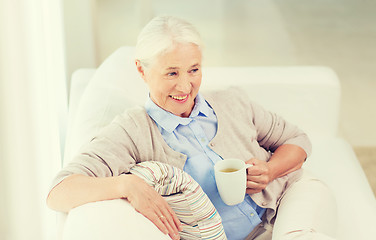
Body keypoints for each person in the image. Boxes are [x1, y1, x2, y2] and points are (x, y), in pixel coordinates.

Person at [47, 16, 337, 240]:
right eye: (171, 73)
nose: (185, 86)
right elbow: (59, 192)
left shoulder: (231, 102)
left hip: (289, 199)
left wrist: (271, 170)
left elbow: (297, 140)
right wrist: (127, 185)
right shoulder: (132, 130)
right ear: (141, 70)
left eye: (194, 70)